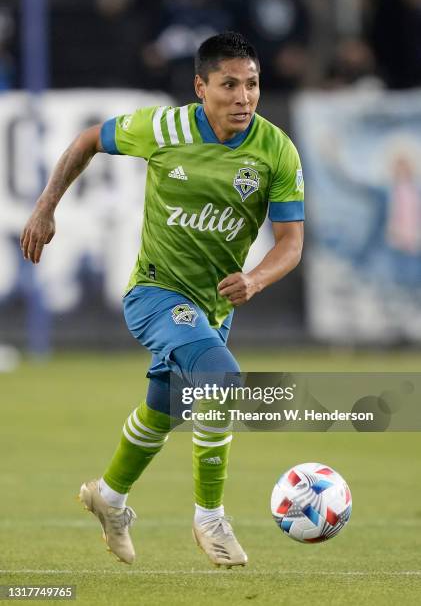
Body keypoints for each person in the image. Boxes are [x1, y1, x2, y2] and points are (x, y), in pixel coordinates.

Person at [20, 32, 304, 568]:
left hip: (212, 309)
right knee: (221, 380)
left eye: (252, 84)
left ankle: (109, 496)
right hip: (154, 292)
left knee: (166, 408)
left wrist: (257, 279)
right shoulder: (163, 127)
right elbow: (86, 141)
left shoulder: (276, 150)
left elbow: (291, 242)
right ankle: (209, 517)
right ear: (201, 87)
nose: (243, 97)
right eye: (229, 85)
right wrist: (45, 206)